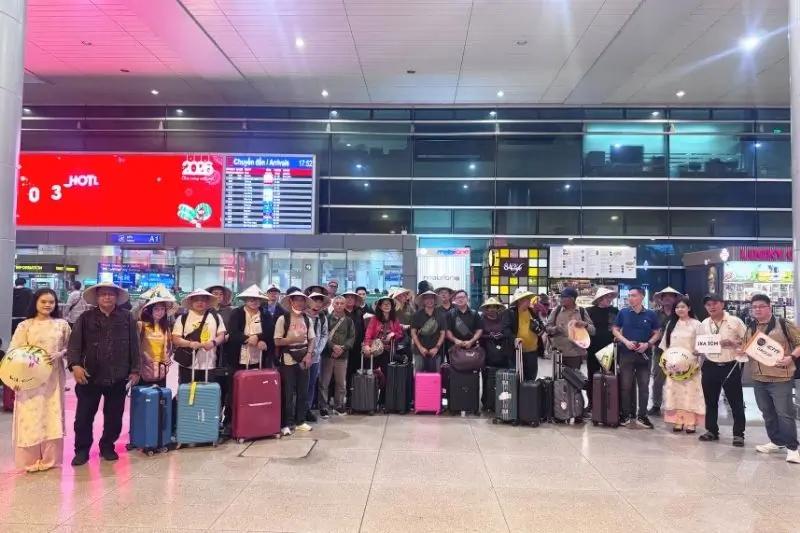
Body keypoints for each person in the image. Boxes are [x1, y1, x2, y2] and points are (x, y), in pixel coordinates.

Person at [67, 282, 141, 466]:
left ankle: (107, 446)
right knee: (83, 416)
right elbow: (74, 344)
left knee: (114, 415)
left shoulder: (127, 318)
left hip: (119, 374)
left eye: (111, 294)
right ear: (97, 297)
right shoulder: (85, 318)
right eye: (103, 294)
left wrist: (135, 369)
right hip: (89, 375)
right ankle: (82, 450)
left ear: (116, 297)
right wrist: (75, 365)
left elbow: (135, 345)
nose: (107, 297)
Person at [8, 288, 71, 472]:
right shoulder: (25, 326)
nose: (47, 305)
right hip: (30, 378)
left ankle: (51, 459)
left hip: (53, 379)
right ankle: (29, 460)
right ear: (35, 302)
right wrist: (15, 378)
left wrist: (59, 354)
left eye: (51, 302)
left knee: (52, 414)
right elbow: (13, 352)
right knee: (29, 415)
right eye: (43, 301)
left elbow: (72, 348)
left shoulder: (62, 325)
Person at [741, 294, 800, 463]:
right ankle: (777, 441)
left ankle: (792, 448)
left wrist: (791, 358)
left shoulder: (783, 324)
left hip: (780, 377)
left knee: (785, 414)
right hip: (758, 378)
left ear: (769, 307)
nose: (757, 309)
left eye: (761, 306)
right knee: (767, 412)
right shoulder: (751, 326)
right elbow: (747, 347)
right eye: (754, 307)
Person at [698, 294, 747, 446]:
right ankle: (711, 430)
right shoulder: (704, 323)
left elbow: (749, 343)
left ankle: (738, 434)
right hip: (710, 365)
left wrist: (733, 344)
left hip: (730, 365)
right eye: (708, 305)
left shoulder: (735, 321)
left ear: (722, 304)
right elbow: (700, 345)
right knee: (710, 401)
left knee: (735, 401)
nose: (711, 307)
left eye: (714, 304)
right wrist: (698, 351)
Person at [223, 284, 272, 430]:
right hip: (237, 359)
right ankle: (230, 421)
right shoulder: (236, 313)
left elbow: (270, 332)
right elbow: (232, 333)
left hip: (258, 359)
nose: (253, 301)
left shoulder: (265, 314)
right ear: (245, 300)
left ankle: (254, 419)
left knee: (255, 391)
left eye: (256, 299)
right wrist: (247, 339)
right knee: (233, 391)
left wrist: (259, 338)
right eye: (250, 298)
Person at [612, 286, 660, 429]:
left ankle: (642, 415)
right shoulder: (623, 313)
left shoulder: (651, 314)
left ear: (641, 297)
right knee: (625, 386)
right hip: (626, 354)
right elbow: (615, 329)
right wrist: (625, 341)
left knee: (644, 387)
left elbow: (657, 332)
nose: (630, 298)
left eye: (633, 295)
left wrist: (648, 344)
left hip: (644, 356)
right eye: (629, 296)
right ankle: (626, 414)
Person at [274, 289, 316, 436]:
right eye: (296, 299)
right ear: (291, 301)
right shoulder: (283, 319)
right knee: (288, 392)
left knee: (303, 391)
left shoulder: (307, 319)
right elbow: (277, 340)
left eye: (301, 300)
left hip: (304, 357)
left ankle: (300, 421)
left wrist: (309, 355)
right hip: (288, 359)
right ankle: (286, 422)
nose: (299, 302)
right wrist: (293, 340)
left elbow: (312, 339)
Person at [659, 297, 704, 433]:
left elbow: (702, 344)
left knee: (690, 393)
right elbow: (665, 345)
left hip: (691, 366)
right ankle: (678, 421)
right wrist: (667, 362)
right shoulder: (671, 324)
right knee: (675, 392)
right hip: (674, 367)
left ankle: (691, 422)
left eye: (683, 307)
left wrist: (698, 355)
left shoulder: (697, 324)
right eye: (677, 307)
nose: (680, 309)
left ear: (689, 308)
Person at [363, 294, 405, 405]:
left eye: (389, 304)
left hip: (387, 352)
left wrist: (393, 334)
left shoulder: (394, 320)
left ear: (392, 306)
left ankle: (383, 401)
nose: (386, 306)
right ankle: (369, 399)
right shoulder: (374, 319)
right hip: (375, 351)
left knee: (388, 376)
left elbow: (400, 333)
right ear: (380, 306)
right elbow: (368, 333)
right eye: (384, 304)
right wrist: (367, 345)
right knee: (371, 373)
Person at [321, 296, 355, 417]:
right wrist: (333, 346)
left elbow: (352, 337)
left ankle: (339, 405)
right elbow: (323, 335)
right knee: (324, 382)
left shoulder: (349, 321)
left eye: (342, 303)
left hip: (343, 356)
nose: (339, 305)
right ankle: (323, 406)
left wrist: (343, 348)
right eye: (337, 303)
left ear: (345, 305)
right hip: (327, 355)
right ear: (333, 305)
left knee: (341, 383)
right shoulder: (326, 319)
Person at [586, 288, 619, 413]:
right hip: (593, 347)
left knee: (610, 376)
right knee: (592, 376)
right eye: (607, 297)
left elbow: (619, 327)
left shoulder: (615, 311)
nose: (609, 299)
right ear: (600, 299)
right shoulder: (589, 311)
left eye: (611, 297)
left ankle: (610, 402)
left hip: (609, 347)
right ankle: (591, 403)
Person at [546, 287, 595, 370]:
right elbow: (547, 327)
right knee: (558, 380)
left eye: (563, 297)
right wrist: (556, 328)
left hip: (575, 354)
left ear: (572, 299)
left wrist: (585, 325)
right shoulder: (556, 310)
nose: (561, 299)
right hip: (558, 352)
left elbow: (593, 331)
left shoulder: (582, 311)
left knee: (574, 379)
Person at [649, 286, 681, 417]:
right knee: (658, 379)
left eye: (670, 296)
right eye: (664, 296)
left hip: (679, 352)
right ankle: (656, 405)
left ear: (675, 299)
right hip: (659, 351)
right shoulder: (655, 315)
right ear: (660, 299)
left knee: (679, 379)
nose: (667, 298)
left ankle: (678, 405)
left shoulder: (681, 313)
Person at [502, 289, 545, 381]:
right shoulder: (510, 313)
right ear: (520, 300)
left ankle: (528, 392)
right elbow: (505, 329)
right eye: (527, 299)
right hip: (517, 351)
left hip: (532, 351)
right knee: (517, 377)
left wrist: (539, 327)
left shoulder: (532, 312)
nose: (529, 301)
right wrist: (514, 339)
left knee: (531, 375)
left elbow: (541, 325)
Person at [137, 292, 178, 388]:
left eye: (162, 309)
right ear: (150, 310)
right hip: (144, 368)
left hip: (161, 369)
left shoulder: (165, 328)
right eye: (156, 309)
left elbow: (169, 347)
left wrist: (168, 356)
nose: (159, 312)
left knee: (159, 398)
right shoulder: (141, 325)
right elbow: (134, 346)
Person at [480, 297, 510, 410]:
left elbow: (508, 331)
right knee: (486, 377)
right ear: (486, 309)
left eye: (494, 307)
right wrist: (489, 336)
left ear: (498, 308)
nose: (492, 309)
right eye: (489, 307)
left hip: (501, 352)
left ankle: (500, 401)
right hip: (486, 353)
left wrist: (501, 335)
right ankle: (487, 402)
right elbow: (479, 333)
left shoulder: (502, 318)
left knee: (501, 377)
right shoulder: (482, 319)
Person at [304, 290, 329, 423]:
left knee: (312, 383)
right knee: (301, 384)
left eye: (320, 301)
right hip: (301, 356)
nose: (317, 304)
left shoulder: (322, 317)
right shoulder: (302, 315)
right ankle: (298, 410)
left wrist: (318, 350)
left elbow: (325, 334)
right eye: (315, 301)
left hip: (316, 357)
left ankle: (307, 409)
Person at [410, 291, 447, 372]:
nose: (429, 300)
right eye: (426, 298)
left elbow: (443, 333)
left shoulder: (441, 315)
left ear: (435, 300)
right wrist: (420, 348)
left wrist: (436, 347)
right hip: (420, 349)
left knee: (435, 374)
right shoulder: (417, 315)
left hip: (436, 349)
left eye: (431, 298)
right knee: (419, 373)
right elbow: (413, 332)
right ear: (423, 300)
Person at [342, 290, 366, 407]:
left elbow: (362, 329)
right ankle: (342, 398)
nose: (350, 299)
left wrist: (364, 343)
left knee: (354, 372)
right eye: (348, 297)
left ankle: (353, 397)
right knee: (343, 374)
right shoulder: (341, 312)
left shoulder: (358, 312)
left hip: (357, 348)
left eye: (352, 298)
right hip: (344, 348)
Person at [446, 289, 484, 356]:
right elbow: (447, 331)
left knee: (471, 366)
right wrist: (455, 340)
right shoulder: (450, 314)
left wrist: (471, 341)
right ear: (455, 300)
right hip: (455, 348)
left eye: (462, 297)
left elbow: (479, 329)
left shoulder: (474, 313)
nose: (460, 299)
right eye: (458, 298)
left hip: (471, 347)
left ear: (467, 298)